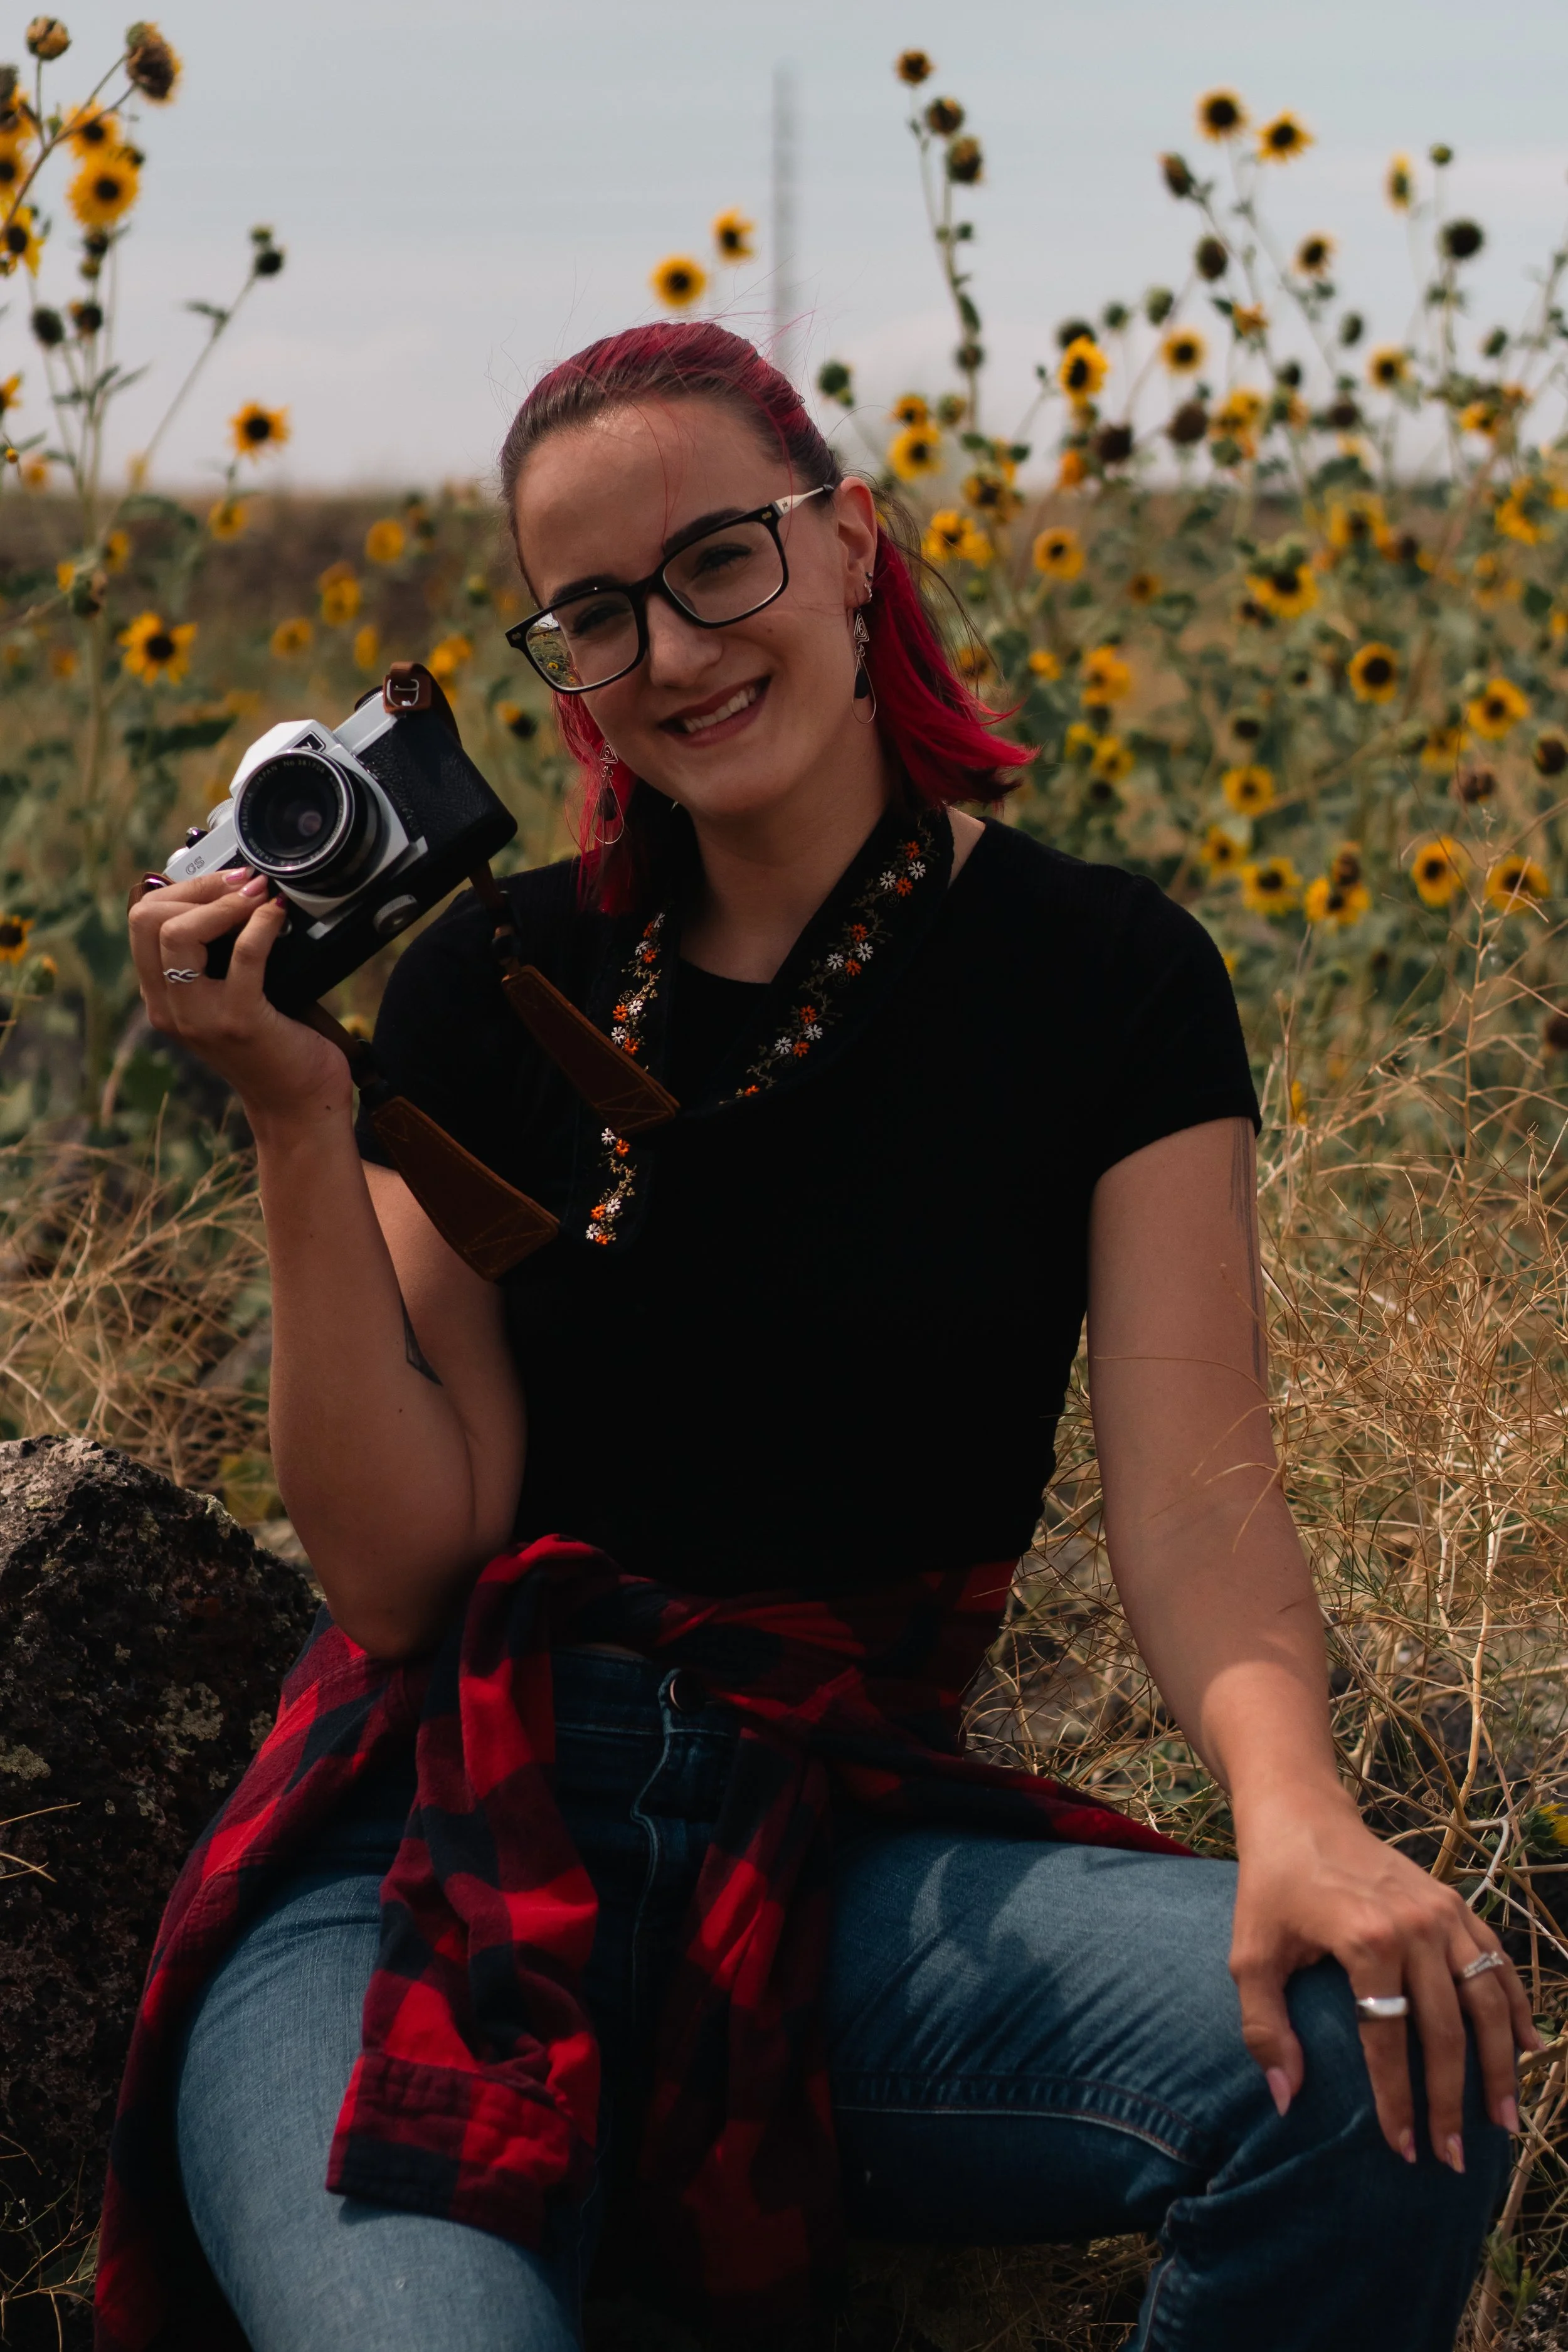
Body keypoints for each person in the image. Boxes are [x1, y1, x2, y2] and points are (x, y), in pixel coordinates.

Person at [111, 322, 1531, 2352]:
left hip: (831, 1874)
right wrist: (294, 1117)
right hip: (427, 1866)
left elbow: (1200, 1510)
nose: (674, 652)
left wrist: (1298, 1811)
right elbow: (403, 1566)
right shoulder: (490, 976)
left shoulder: (1102, 980)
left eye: (719, 559)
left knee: (1376, 2045)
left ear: (852, 544)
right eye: (596, 615)